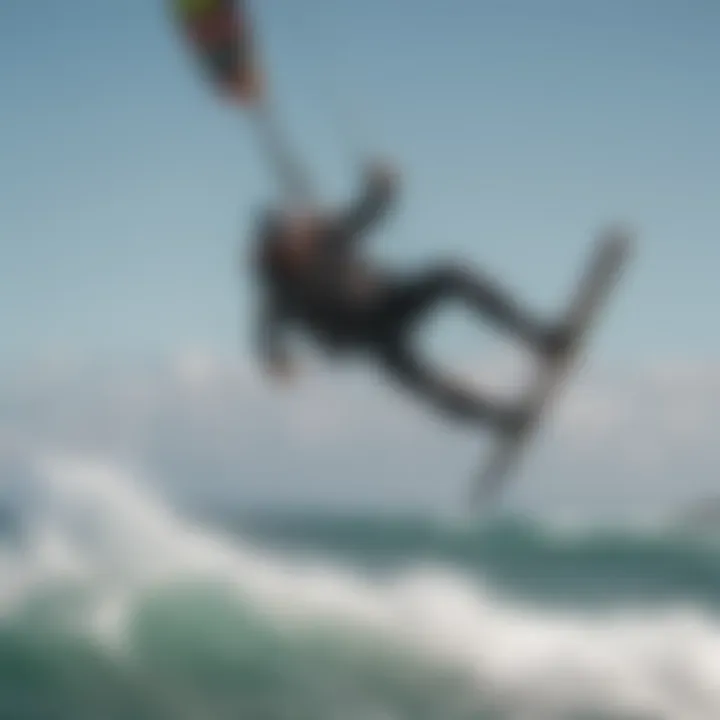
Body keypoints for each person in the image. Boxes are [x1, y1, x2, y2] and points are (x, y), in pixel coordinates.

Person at [247, 160, 572, 435]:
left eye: (290, 236)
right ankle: (504, 420)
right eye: (283, 243)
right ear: (273, 254)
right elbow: (266, 336)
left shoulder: (324, 239)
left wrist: (383, 187)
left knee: (451, 276)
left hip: (390, 302)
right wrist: (278, 362)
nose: (293, 241)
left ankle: (541, 338)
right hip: (370, 339)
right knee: (427, 388)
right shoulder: (280, 294)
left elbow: (366, 214)